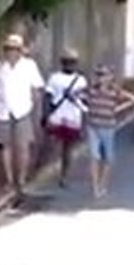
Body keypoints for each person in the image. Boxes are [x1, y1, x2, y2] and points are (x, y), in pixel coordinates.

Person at [0, 33, 44, 191]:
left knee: (23, 146)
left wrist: (36, 111)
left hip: (23, 110)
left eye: (15, 48)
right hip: (3, 110)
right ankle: (9, 179)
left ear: (21, 50)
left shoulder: (29, 65)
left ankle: (21, 178)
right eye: (8, 48)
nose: (11, 52)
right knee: (5, 146)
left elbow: (37, 89)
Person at [81, 64, 134, 198]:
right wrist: (85, 108)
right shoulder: (91, 90)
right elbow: (76, 96)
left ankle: (102, 184)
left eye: (104, 75)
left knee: (108, 158)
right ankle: (95, 188)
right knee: (94, 156)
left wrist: (117, 109)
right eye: (99, 75)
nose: (101, 78)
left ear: (110, 77)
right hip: (93, 125)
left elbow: (133, 99)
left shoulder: (114, 91)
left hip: (108, 127)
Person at [43, 49, 87, 187]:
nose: (70, 65)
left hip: (73, 117)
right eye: (67, 62)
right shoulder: (54, 78)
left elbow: (84, 101)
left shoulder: (81, 80)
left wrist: (84, 122)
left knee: (68, 149)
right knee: (54, 146)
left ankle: (64, 175)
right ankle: (49, 172)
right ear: (62, 63)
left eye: (72, 62)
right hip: (57, 116)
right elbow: (48, 97)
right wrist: (45, 114)